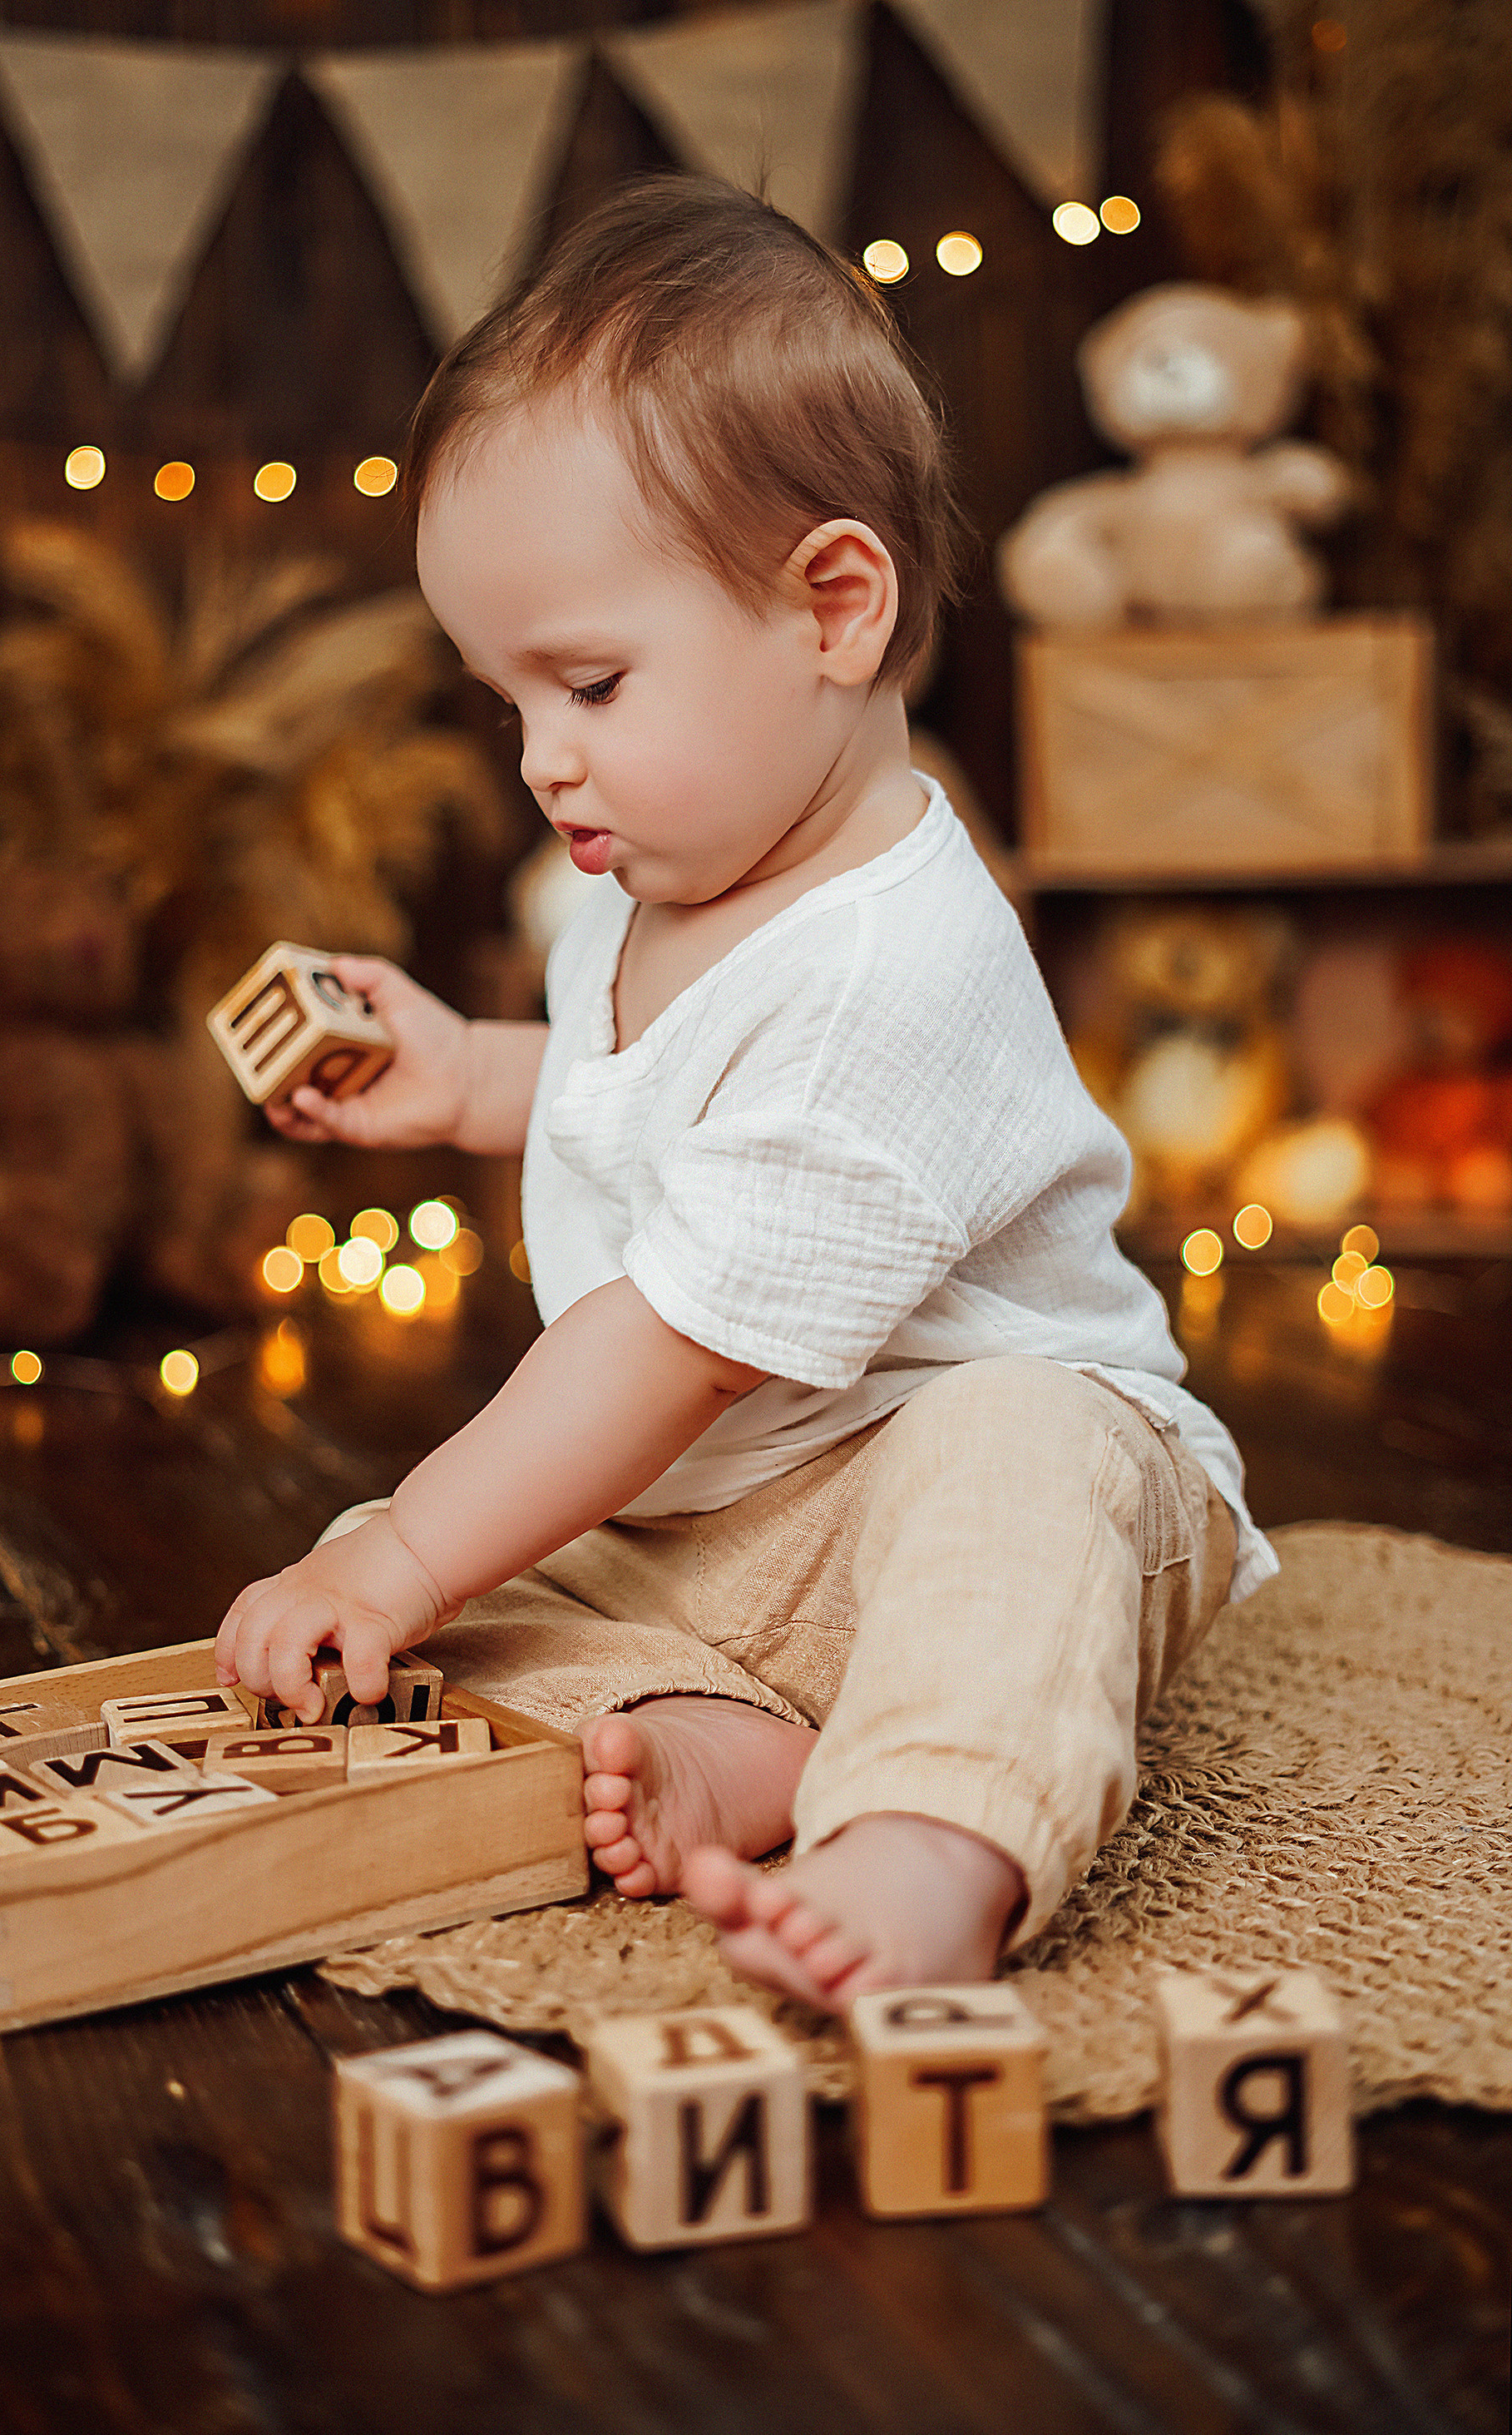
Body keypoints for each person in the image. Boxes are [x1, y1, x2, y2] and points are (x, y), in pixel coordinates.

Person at [214, 175, 1276, 2012]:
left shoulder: (893, 966)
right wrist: (468, 1075)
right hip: (722, 1517)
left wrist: (406, 1548)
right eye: (509, 703)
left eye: (592, 684)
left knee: (1007, 1469)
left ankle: (931, 1834)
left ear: (834, 609)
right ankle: (742, 1735)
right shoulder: (662, 873)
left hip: (952, 1483)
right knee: (452, 1606)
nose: (543, 760)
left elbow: (672, 1351)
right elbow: (661, 1105)